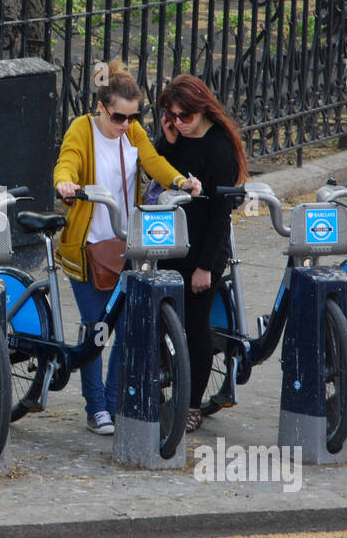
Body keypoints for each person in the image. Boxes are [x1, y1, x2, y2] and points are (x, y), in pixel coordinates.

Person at [54, 59, 201, 435]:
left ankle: (113, 400)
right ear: (101, 109)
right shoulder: (81, 129)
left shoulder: (132, 133)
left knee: (125, 327)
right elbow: (67, 162)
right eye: (119, 118)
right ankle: (95, 408)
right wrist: (66, 185)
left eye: (133, 118)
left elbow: (153, 162)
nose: (125, 125)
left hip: (126, 244)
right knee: (96, 329)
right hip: (88, 247)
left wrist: (181, 182)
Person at [151, 74, 248, 433]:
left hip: (202, 248)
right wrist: (169, 140)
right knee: (161, 319)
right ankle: (160, 390)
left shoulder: (219, 147)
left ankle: (192, 404)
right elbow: (158, 173)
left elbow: (221, 216)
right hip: (168, 241)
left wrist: (206, 267)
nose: (178, 122)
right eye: (171, 116)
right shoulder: (178, 137)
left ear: (202, 110)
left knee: (195, 326)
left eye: (184, 116)